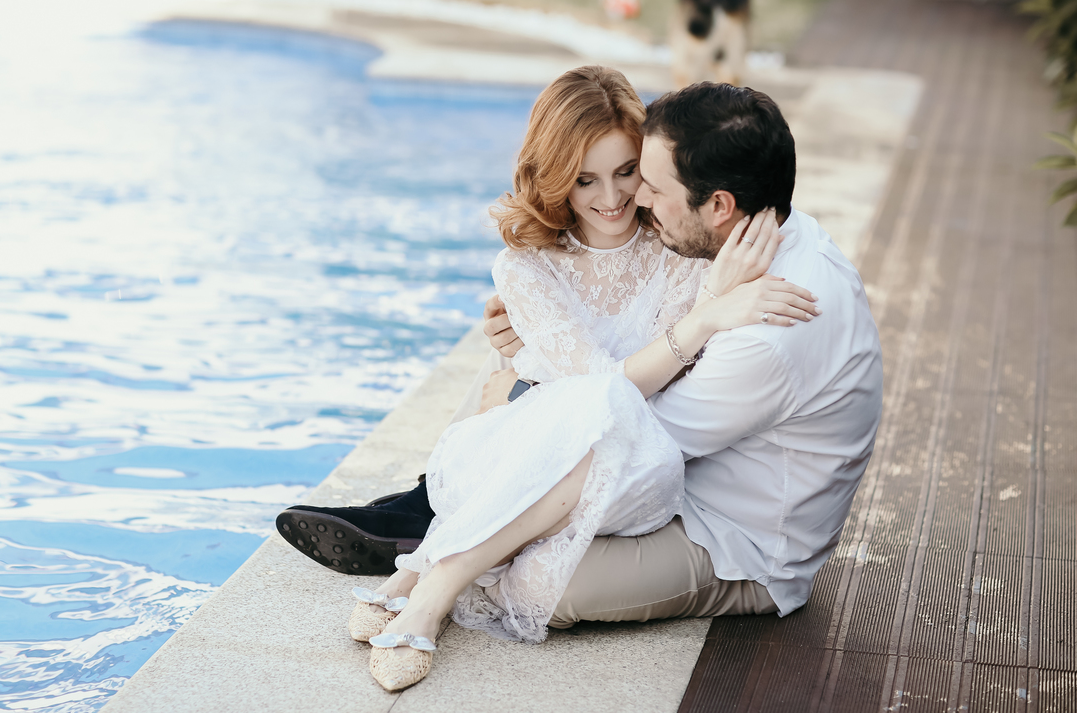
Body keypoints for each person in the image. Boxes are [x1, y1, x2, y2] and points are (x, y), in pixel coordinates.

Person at [284, 67, 823, 692]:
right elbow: (600, 387)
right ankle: (423, 557)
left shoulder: (679, 243)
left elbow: (617, 406)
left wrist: (703, 304)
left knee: (585, 426)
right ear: (555, 175)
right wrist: (704, 316)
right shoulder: (525, 267)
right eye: (585, 179)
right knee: (562, 406)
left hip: (638, 466)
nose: (613, 198)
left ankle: (429, 574)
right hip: (558, 444)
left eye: (628, 172)